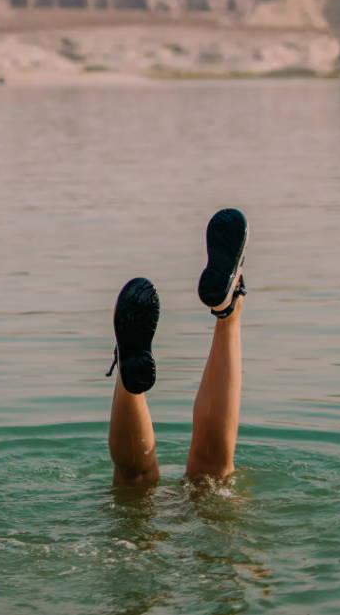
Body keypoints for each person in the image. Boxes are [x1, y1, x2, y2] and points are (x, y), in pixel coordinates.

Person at [106, 207, 248, 486]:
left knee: (134, 479)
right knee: (212, 475)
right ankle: (228, 308)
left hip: (128, 526)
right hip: (207, 519)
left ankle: (128, 375)